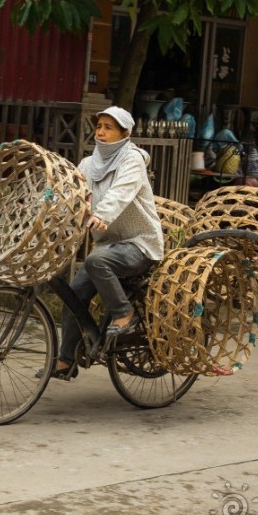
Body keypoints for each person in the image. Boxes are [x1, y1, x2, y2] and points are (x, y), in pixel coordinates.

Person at [51, 106, 164, 380]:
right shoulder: (89, 164)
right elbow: (72, 192)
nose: (100, 132)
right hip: (108, 247)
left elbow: (121, 192)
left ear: (125, 134)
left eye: (108, 127)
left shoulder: (132, 160)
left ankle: (124, 314)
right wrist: (50, 212)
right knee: (73, 295)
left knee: (95, 260)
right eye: (99, 126)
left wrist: (102, 215)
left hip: (140, 244)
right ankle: (66, 361)